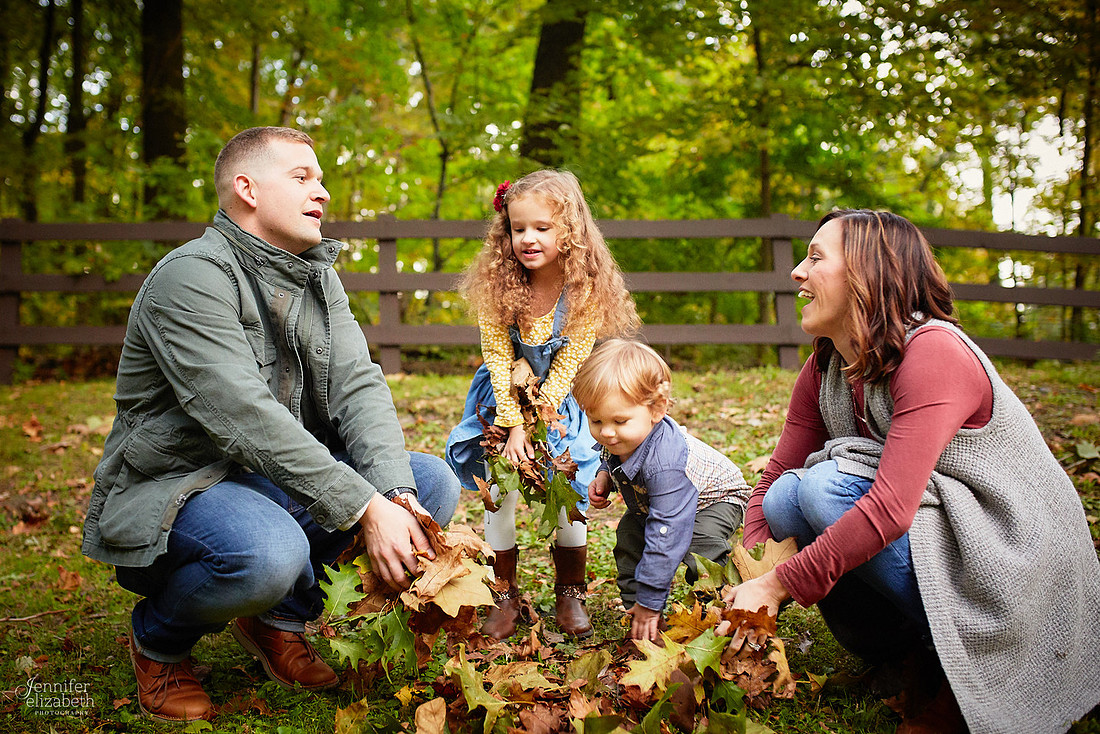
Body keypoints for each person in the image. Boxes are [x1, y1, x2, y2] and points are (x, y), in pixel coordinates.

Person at [81, 127, 461, 723]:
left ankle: (276, 620)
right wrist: (363, 507)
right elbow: (242, 417)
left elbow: (359, 386)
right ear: (247, 189)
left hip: (275, 482)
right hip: (184, 487)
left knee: (428, 484)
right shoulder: (189, 279)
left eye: (322, 178)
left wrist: (395, 496)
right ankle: (160, 643)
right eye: (302, 177)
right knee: (268, 554)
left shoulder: (316, 275)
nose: (323, 192)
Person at [721, 210, 1100, 733]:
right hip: (943, 531)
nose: (797, 273)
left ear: (868, 273)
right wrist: (754, 566)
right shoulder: (827, 365)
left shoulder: (934, 353)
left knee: (826, 489)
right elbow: (774, 477)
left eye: (815, 257)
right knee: (787, 496)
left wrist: (780, 584)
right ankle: (904, 654)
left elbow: (891, 508)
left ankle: (963, 671)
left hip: (1017, 553)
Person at [445, 170, 639, 640]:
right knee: (503, 489)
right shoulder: (501, 286)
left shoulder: (583, 290)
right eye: (518, 228)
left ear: (569, 230)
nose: (528, 238)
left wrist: (540, 419)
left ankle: (570, 590)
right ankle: (503, 595)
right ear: (505, 232)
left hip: (560, 400)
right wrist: (513, 426)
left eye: (542, 228)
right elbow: (496, 355)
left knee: (566, 488)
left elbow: (571, 360)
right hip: (502, 401)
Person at [572, 339, 750, 642]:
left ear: (657, 410)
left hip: (715, 499)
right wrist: (604, 473)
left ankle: (716, 612)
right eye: (596, 420)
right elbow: (609, 451)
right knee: (630, 534)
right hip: (657, 504)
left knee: (698, 543)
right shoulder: (621, 437)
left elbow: (666, 534)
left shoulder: (665, 464)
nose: (606, 432)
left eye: (619, 421)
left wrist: (651, 601)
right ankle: (638, 618)